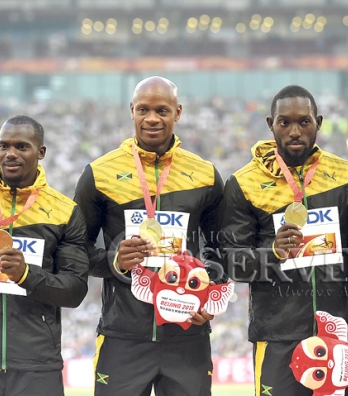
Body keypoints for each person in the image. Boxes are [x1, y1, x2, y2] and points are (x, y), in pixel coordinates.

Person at [73, 76, 224, 396]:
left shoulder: (206, 174)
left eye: (162, 110)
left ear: (178, 112)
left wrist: (211, 295)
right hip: (123, 338)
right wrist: (113, 260)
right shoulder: (100, 173)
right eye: (143, 109)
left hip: (187, 337)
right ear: (131, 111)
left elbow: (222, 248)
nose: (152, 118)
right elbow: (72, 249)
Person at [221, 85, 348, 396]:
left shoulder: (346, 176)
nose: (294, 131)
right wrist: (272, 252)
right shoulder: (243, 183)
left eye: (303, 122)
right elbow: (232, 262)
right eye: (284, 122)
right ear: (270, 124)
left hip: (338, 336)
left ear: (318, 122)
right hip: (276, 338)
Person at [0, 115, 89, 396]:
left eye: (21, 146)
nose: (10, 154)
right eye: (4, 146)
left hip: (37, 365)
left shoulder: (65, 212)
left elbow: (75, 290)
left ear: (41, 152)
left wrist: (27, 276)